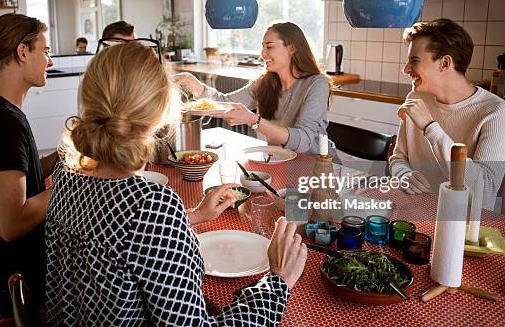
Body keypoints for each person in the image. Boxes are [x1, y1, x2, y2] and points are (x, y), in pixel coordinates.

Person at [45, 42, 307, 325]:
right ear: (160, 111)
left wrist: (191, 217)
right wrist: (277, 283)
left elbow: (120, 240)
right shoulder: (151, 206)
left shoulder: (65, 172)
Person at [0, 13, 57, 311]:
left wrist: (66, 157)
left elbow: (23, 172)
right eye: (45, 51)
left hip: (13, 268)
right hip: (24, 282)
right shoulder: (4, 124)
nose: (50, 61)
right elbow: (10, 224)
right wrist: (70, 186)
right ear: (22, 52)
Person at [390, 18, 505, 209]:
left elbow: (485, 192)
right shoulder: (416, 97)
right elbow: (399, 158)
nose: (406, 69)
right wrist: (404, 174)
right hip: (414, 213)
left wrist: (430, 127)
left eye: (414, 60)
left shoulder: (497, 112)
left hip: (461, 226)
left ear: (444, 63)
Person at [175, 22, 331, 155]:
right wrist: (195, 86)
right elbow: (226, 103)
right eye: (263, 47)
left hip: (314, 166)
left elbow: (303, 141)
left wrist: (253, 120)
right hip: (277, 159)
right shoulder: (265, 83)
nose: (263, 54)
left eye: (269, 47)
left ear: (292, 48)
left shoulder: (316, 84)